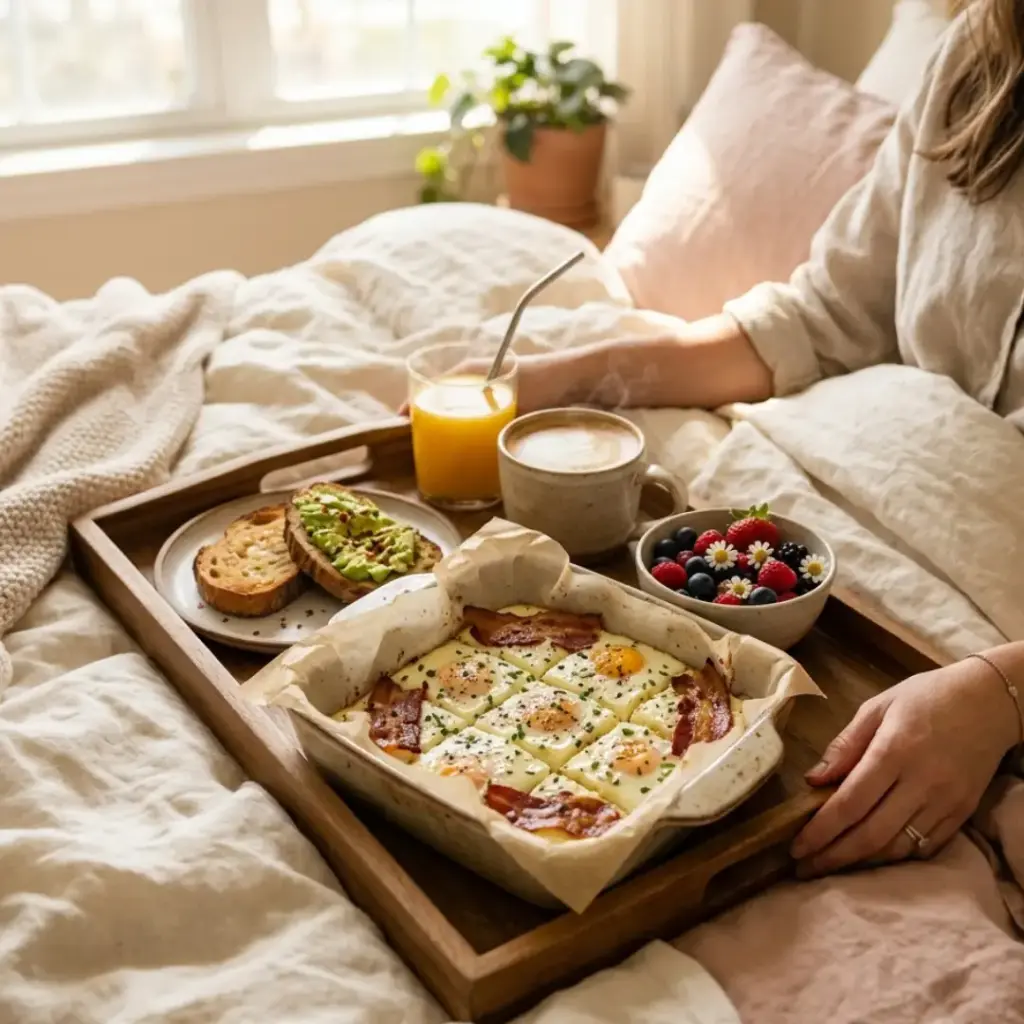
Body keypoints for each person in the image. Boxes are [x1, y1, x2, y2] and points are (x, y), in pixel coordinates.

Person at [507, 0, 1024, 875]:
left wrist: (1000, 696)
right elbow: (822, 320)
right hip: (835, 572)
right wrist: (562, 377)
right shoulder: (981, 54)